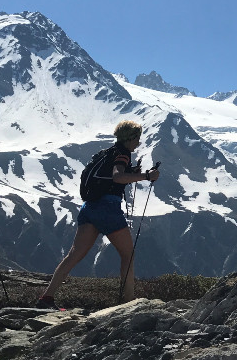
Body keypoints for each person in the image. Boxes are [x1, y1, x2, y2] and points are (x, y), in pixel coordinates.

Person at [37, 120, 160, 307]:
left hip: (88, 208)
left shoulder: (106, 153)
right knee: (128, 254)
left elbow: (112, 176)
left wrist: (132, 172)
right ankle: (129, 302)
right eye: (137, 138)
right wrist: (146, 176)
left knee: (74, 255)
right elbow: (118, 177)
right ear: (131, 138)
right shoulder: (123, 154)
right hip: (108, 209)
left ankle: (46, 298)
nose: (139, 142)